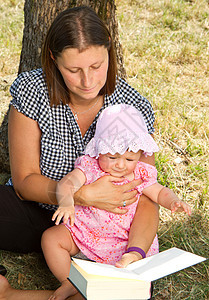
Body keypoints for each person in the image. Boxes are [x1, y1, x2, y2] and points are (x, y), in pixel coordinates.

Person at [0, 5, 160, 300]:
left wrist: (135, 253)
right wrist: (80, 195)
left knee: (131, 294)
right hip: (41, 211)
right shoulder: (33, 91)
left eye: (97, 66)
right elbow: (24, 182)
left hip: (106, 229)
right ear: (53, 59)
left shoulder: (132, 108)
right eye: (74, 70)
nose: (88, 81)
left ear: (110, 52)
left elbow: (148, 195)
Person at [41, 104, 191, 300]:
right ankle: (70, 281)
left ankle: (114, 274)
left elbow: (159, 192)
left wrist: (173, 201)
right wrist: (67, 201)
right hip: (85, 233)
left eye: (129, 159)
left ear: (139, 154)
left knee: (122, 280)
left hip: (120, 242)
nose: (120, 165)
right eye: (112, 157)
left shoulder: (139, 173)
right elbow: (67, 183)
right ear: (99, 149)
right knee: (51, 239)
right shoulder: (90, 167)